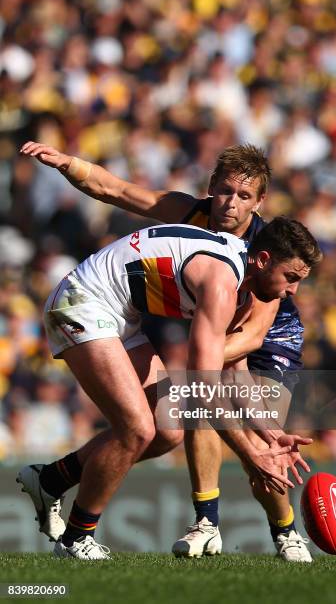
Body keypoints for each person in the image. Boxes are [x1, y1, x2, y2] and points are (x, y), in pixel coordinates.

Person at [19, 142, 319, 561]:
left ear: (260, 202)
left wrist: (264, 430)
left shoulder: (261, 259)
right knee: (142, 426)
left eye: (244, 196)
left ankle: (52, 480)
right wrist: (72, 163)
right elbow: (118, 190)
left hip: (253, 336)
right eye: (226, 191)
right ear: (212, 187)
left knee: (169, 428)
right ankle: (82, 538)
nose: (231, 204)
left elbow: (245, 347)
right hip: (89, 303)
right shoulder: (219, 263)